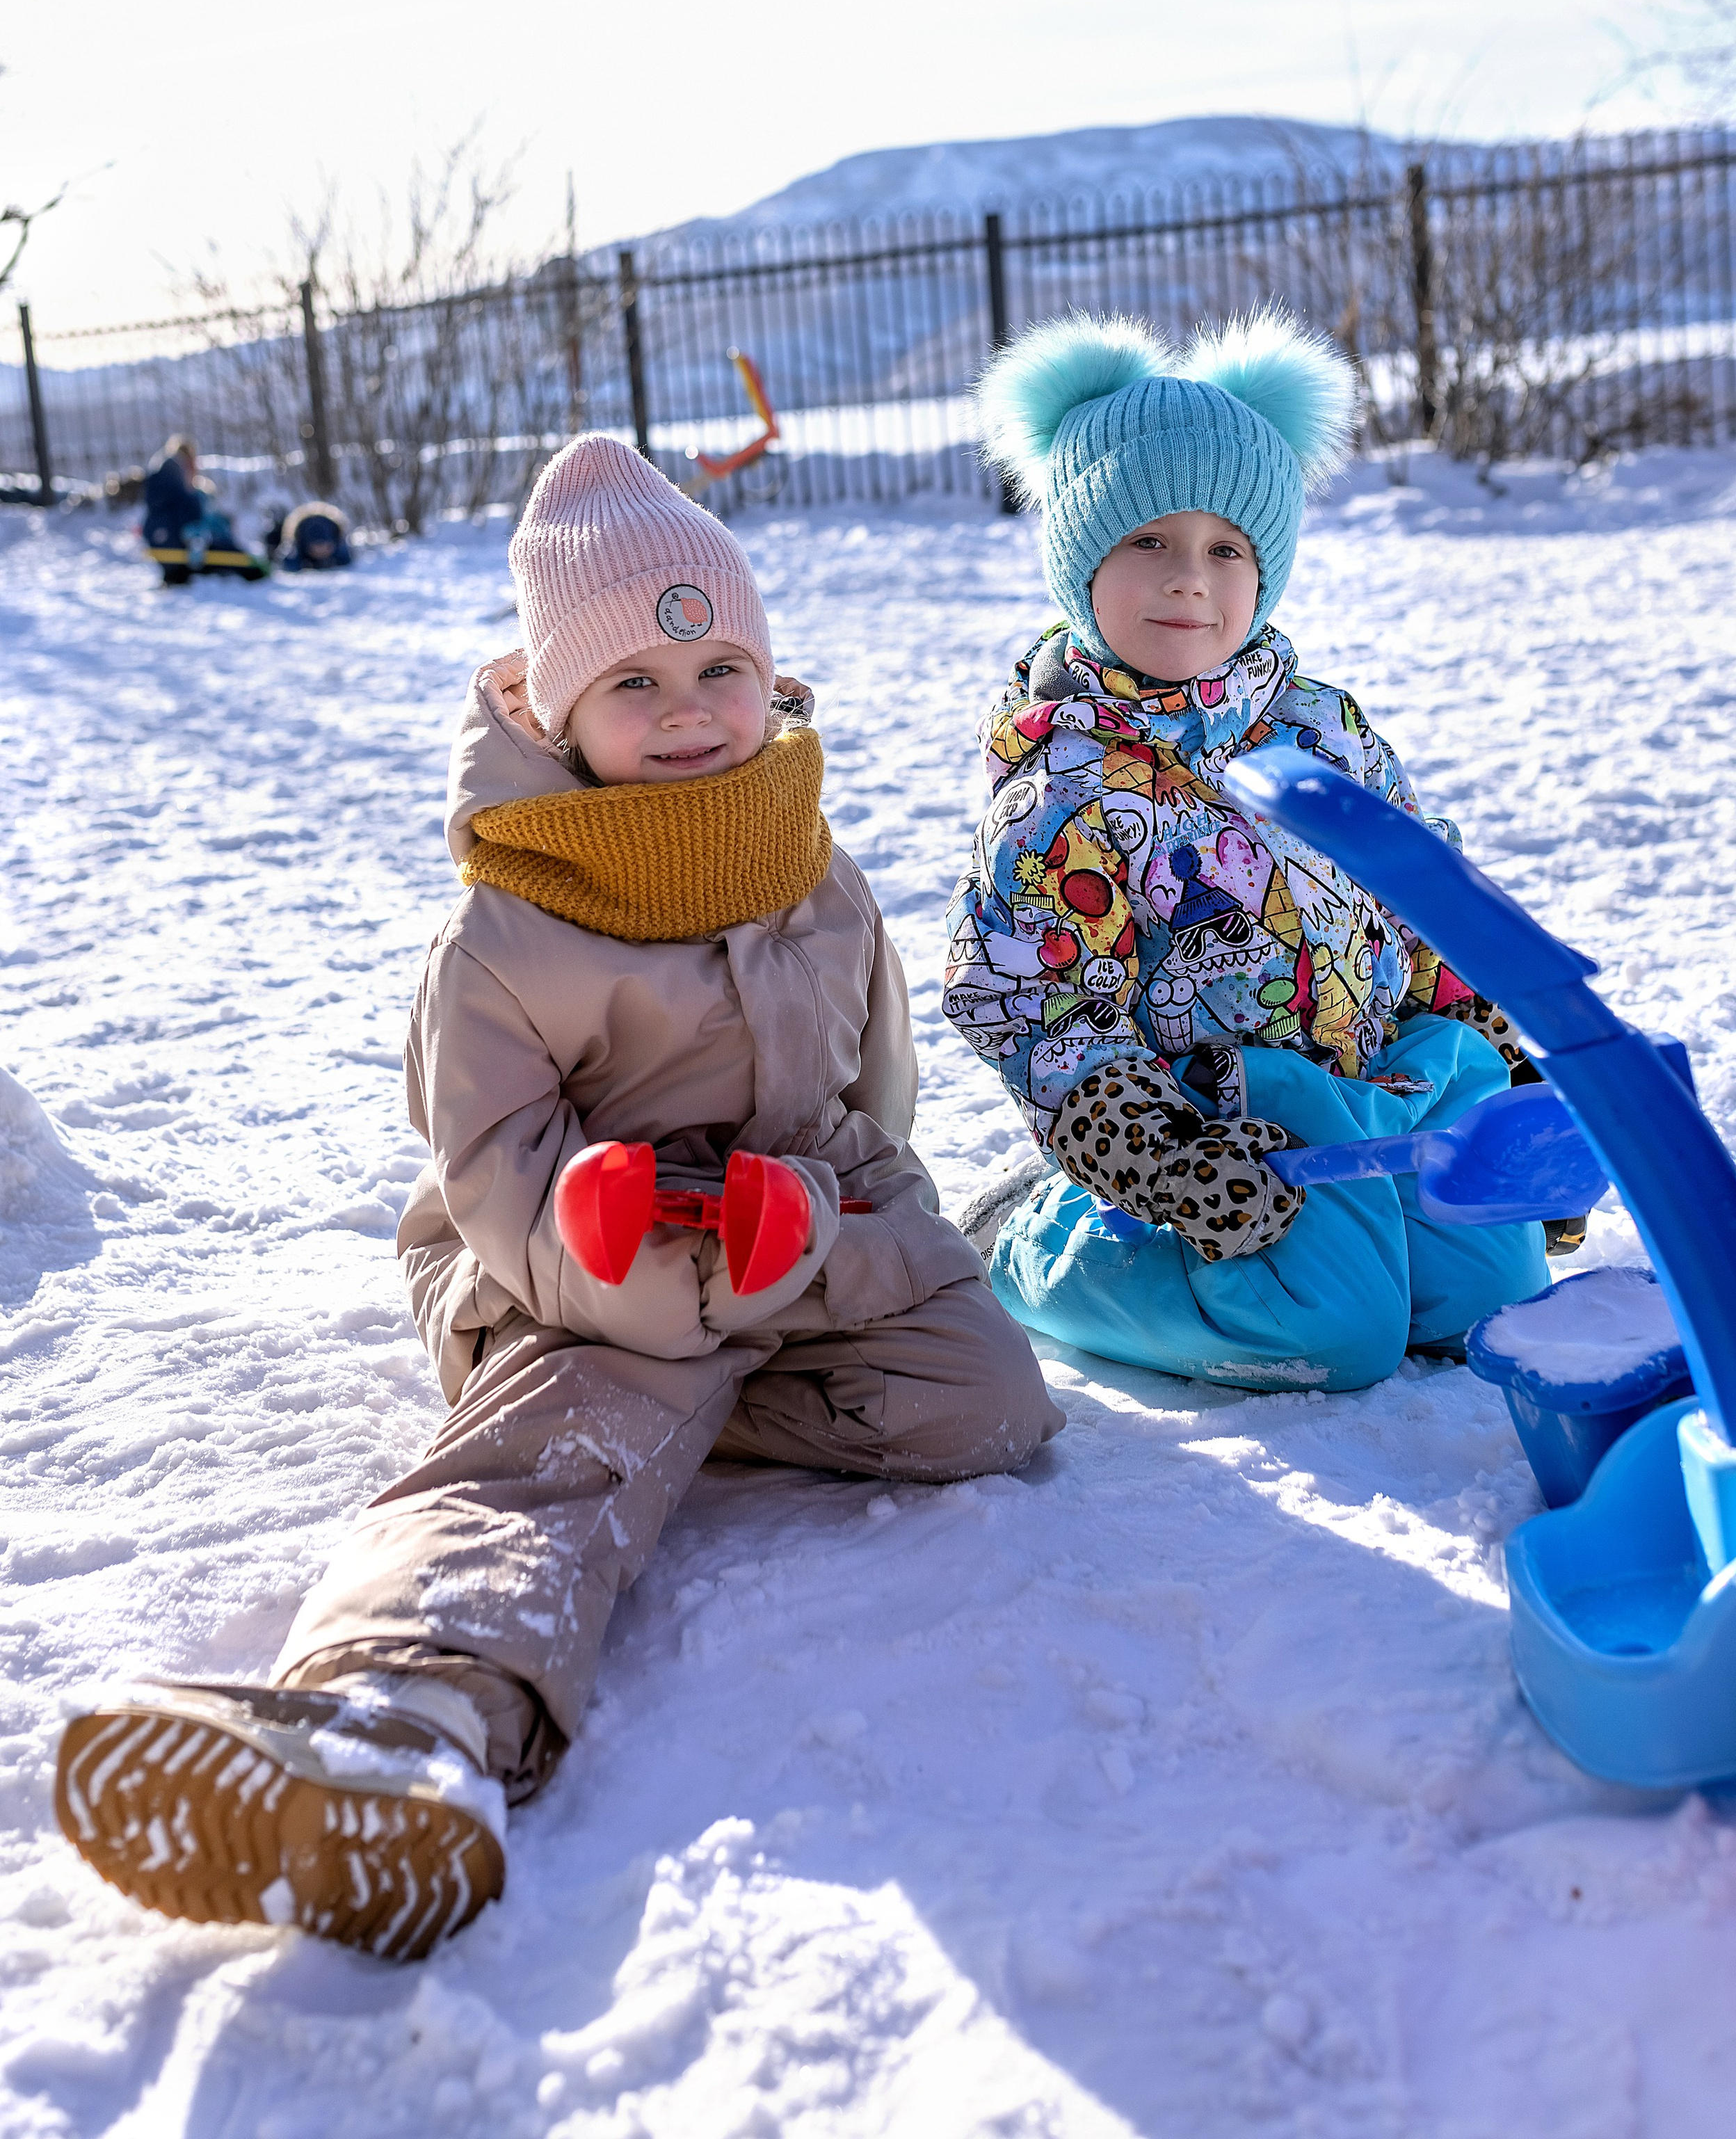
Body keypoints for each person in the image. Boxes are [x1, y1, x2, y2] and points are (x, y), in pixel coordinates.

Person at [56, 433, 1062, 1961]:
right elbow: (494, 1179)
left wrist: (835, 1251)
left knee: (983, 1401)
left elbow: (871, 1112)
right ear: (551, 709)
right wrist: (655, 1289)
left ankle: (672, 1410)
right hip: (557, 1253)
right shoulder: (508, 932)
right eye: (633, 687)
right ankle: (394, 1717)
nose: (687, 713)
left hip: (782, 1231)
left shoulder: (812, 869)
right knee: (574, 1433)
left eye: (718, 666)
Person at [946, 307, 1548, 1397]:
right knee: (1336, 1332)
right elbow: (1026, 1002)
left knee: (1486, 1298)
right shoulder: (1067, 786)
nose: (1190, 579)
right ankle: (1031, 1242)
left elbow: (1424, 897)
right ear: (1077, 561)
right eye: (1148, 542)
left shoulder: (1323, 726)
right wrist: (1154, 1147)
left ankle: (1380, 1230)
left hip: (1382, 1079)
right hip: (1220, 1125)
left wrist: (1506, 1069)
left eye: (1227, 549)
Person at [140, 436, 243, 569]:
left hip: (168, 552)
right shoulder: (182, 494)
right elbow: (192, 523)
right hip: (184, 552)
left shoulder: (162, 485)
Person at [275, 498, 354, 570]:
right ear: (306, 546)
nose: (321, 552)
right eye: (317, 547)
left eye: (326, 546)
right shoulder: (297, 547)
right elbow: (289, 565)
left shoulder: (340, 544)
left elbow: (347, 560)